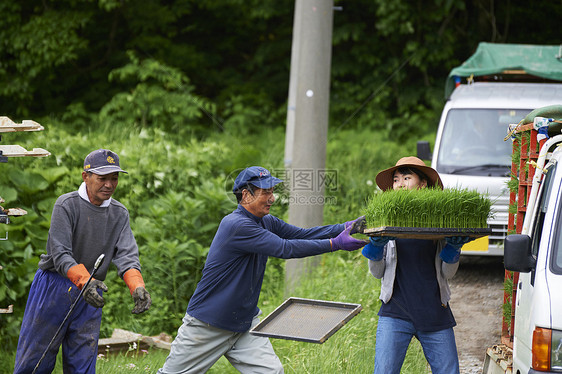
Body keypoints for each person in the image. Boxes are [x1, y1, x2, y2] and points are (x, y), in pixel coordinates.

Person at [157, 166, 367, 374]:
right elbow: (284, 248)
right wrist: (335, 244)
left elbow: (301, 235)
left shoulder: (265, 221)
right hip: (209, 324)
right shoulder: (236, 225)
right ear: (246, 195)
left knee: (272, 372)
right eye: (265, 192)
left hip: (244, 323)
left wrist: (345, 226)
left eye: (272, 191)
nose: (272, 198)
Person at [14, 149, 152, 374]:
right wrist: (84, 281)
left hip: (91, 293)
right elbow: (60, 254)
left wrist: (137, 286)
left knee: (83, 365)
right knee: (35, 362)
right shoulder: (66, 205)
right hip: (54, 286)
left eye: (114, 178)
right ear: (85, 176)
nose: (109, 184)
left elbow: (127, 255)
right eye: (102, 178)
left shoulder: (119, 213)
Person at [362, 156, 472, 374]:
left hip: (435, 312)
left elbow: (448, 273)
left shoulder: (439, 219)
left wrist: (453, 250)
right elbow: (377, 273)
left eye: (406, 177)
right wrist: (375, 248)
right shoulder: (386, 218)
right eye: (396, 179)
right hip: (395, 312)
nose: (400, 184)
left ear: (422, 184)